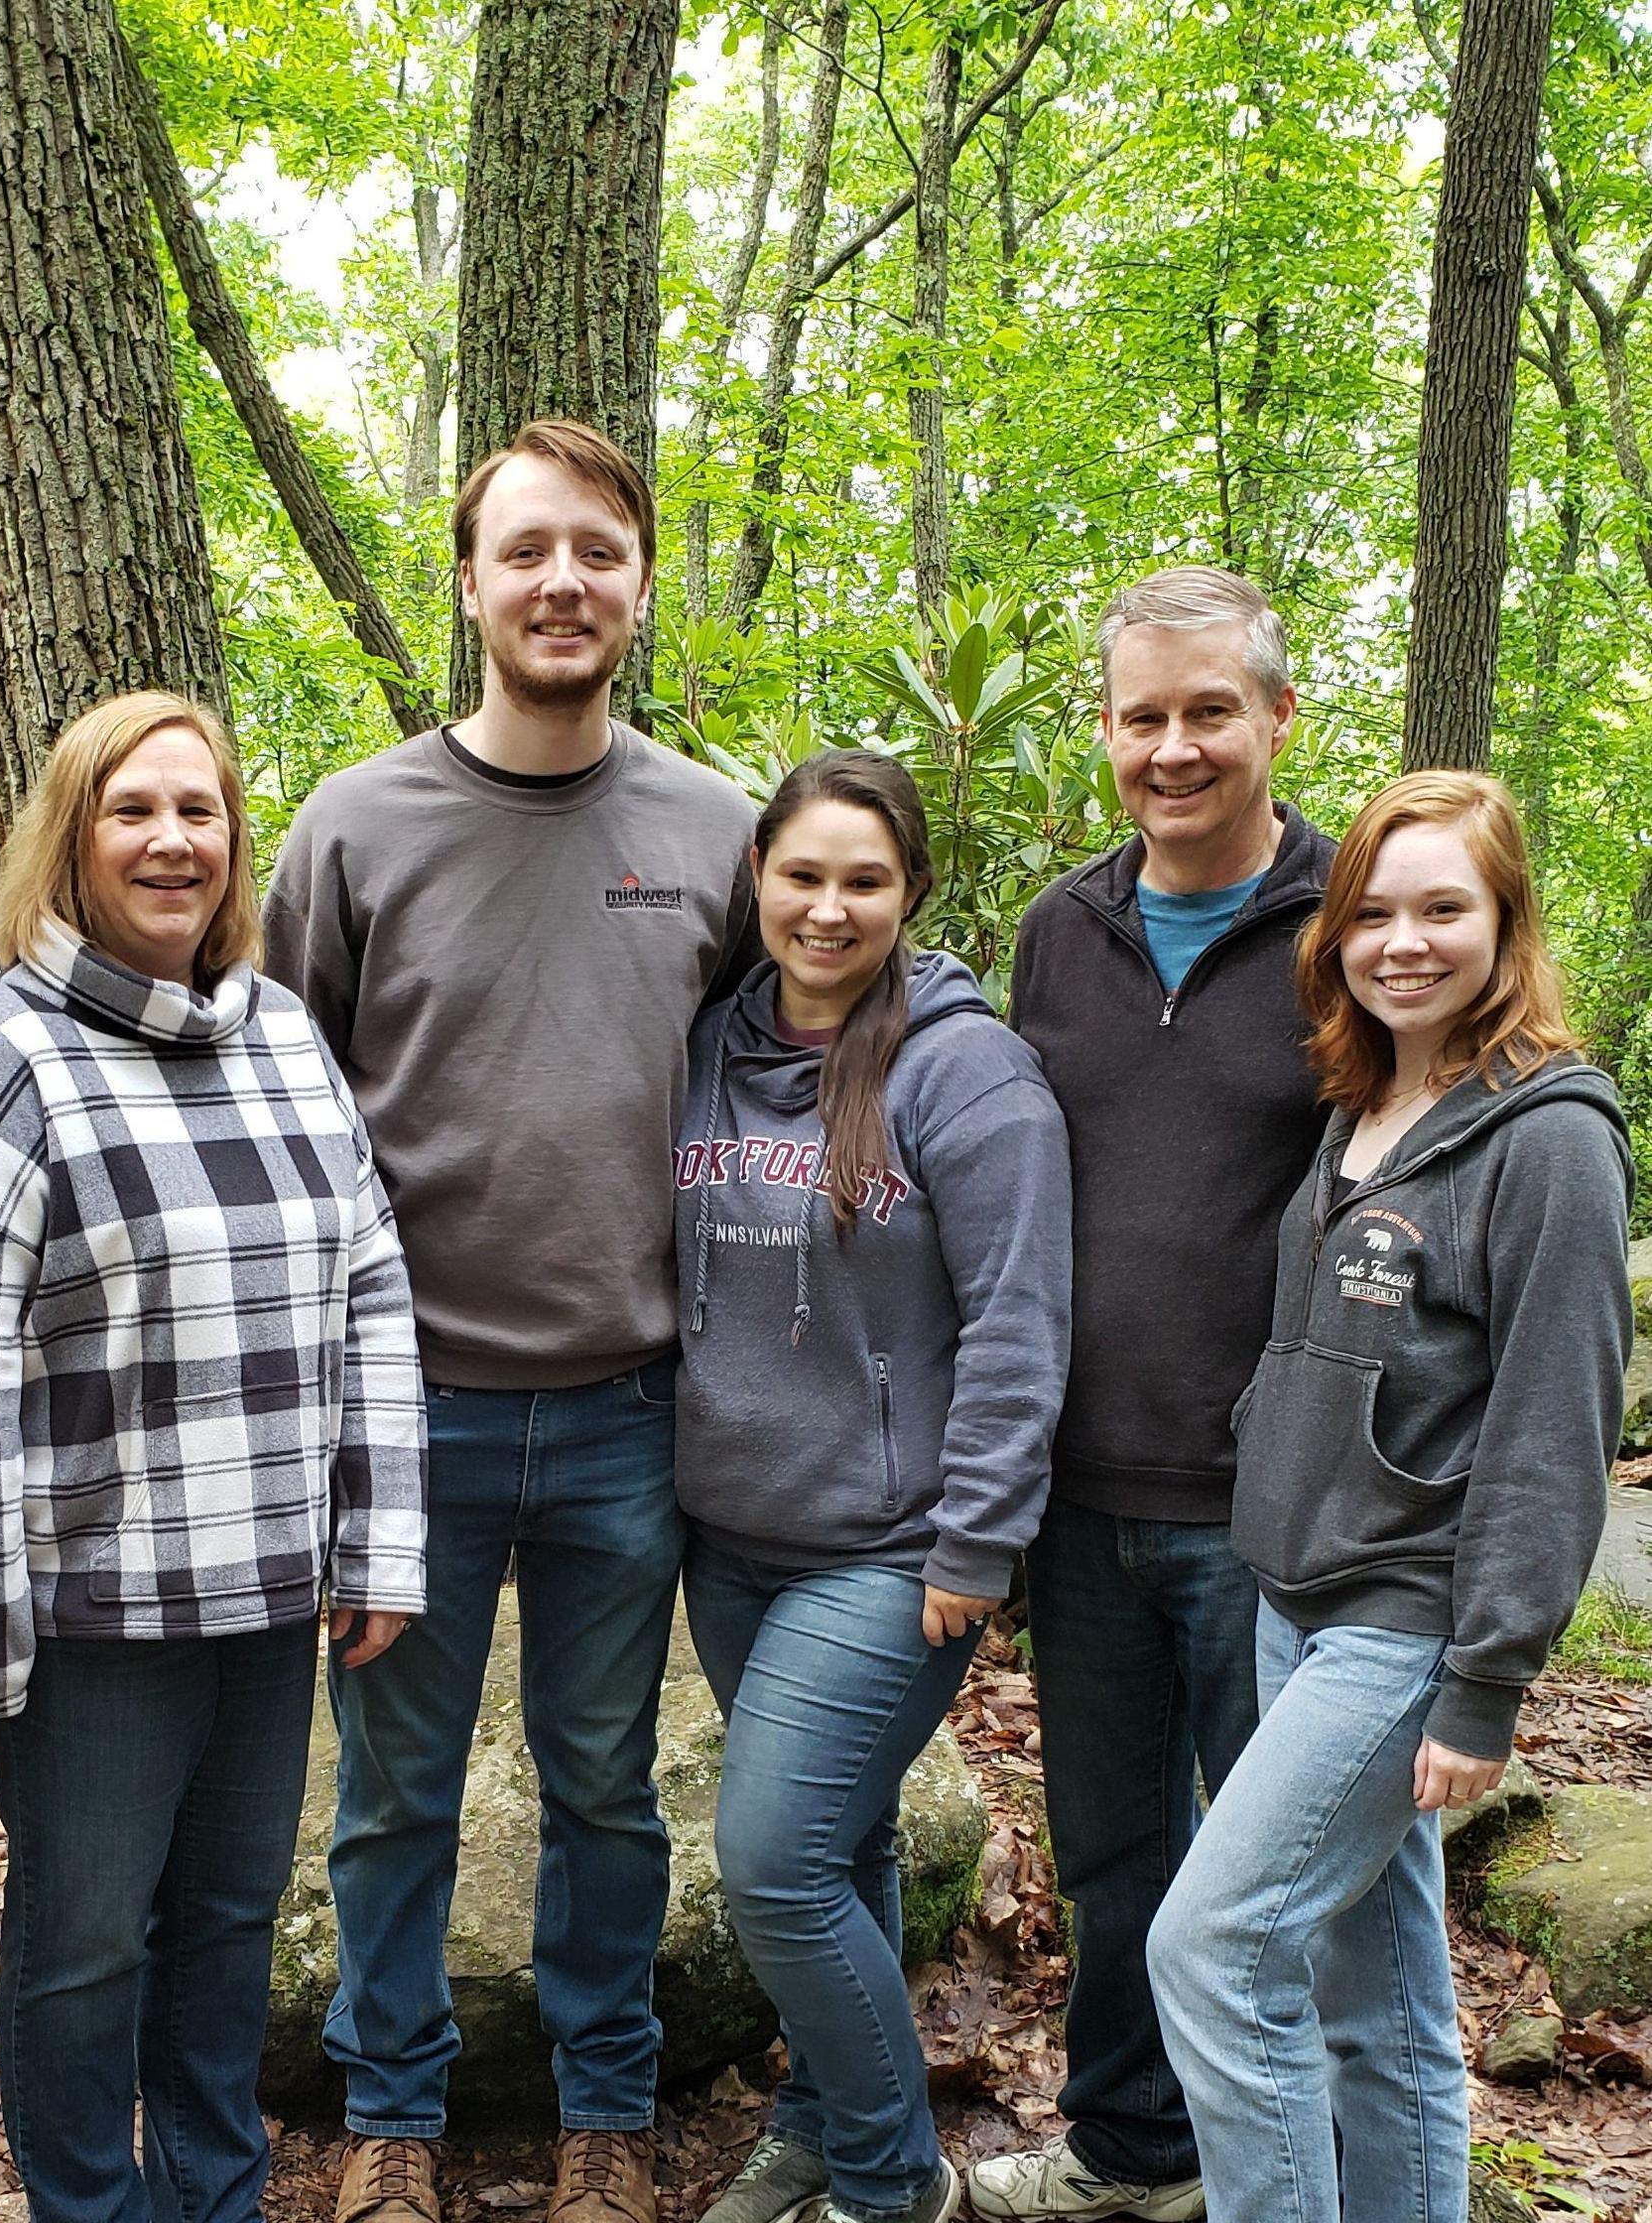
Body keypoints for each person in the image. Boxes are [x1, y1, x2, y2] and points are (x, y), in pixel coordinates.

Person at [264, 419, 759, 2223]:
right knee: (392, 1803)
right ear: (468, 583)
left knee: (607, 1790)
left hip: (634, 1410)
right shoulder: (352, 826)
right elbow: (279, 1105)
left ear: (639, 583)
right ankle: (389, 2117)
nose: (564, 581)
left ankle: (604, 2117)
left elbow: (788, 1076)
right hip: (409, 1417)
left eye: (599, 552)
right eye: (526, 549)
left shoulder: (715, 830)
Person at [0, 691, 427, 2223]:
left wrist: (378, 1539)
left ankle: (217, 2192)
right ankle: (89, 2204)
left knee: (230, 1918)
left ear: (235, 841)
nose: (171, 841)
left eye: (198, 812)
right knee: (83, 1942)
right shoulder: (9, 1047)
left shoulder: (280, 1033)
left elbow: (368, 1286)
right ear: (72, 841)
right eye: (133, 811)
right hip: (91, 1620)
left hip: (266, 1596)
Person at [1147, 770, 1633, 2223]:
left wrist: (1483, 1682)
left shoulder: (1547, 1138)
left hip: (1404, 1627)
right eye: (1372, 911)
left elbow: (1556, 1433)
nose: (1402, 941)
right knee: (1383, 1998)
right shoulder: (1366, 1101)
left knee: (1216, 1949)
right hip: (1293, 1603)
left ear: (1505, 923)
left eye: (1443, 909)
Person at [971, 567, 1335, 2223]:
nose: (1171, 748)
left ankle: (1305, 2172)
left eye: (1207, 711)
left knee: (1283, 1891)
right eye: (1141, 718)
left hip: (1272, 1511)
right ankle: (1135, 2149)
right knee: (1115, 1855)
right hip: (1082, 1496)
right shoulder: (1059, 931)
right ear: (1103, 733)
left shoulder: (1357, 924)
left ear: (1274, 714)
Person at [676, 750, 1072, 2223]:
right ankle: (822, 2121)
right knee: (837, 1845)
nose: (826, 909)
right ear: (757, 878)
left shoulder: (968, 1073)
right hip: (729, 1533)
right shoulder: (710, 1037)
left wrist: (977, 1542)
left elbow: (1022, 1322)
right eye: (801, 874)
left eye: (863, 881)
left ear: (910, 893)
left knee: (773, 1867)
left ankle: (893, 2182)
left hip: (894, 1551)